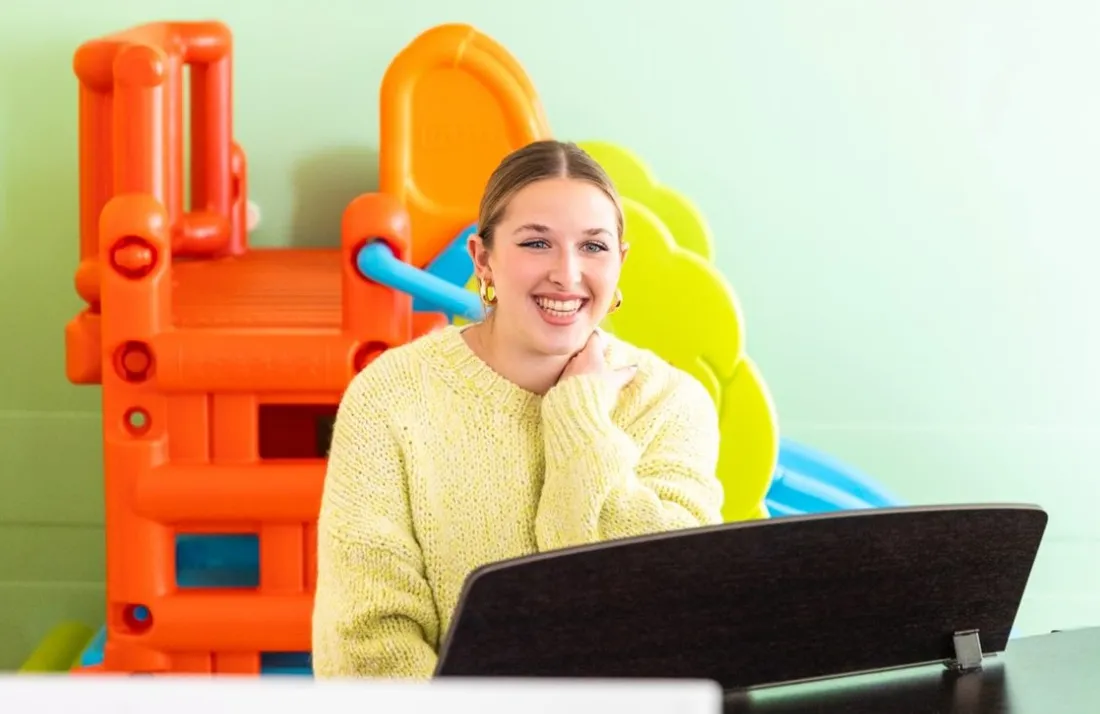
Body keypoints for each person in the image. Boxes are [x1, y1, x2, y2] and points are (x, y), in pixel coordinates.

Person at [311, 139, 725, 679]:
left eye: (593, 247)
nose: (567, 274)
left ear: (620, 261)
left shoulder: (671, 403)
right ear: (483, 258)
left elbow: (664, 601)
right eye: (536, 243)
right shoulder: (390, 397)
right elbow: (366, 639)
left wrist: (579, 418)